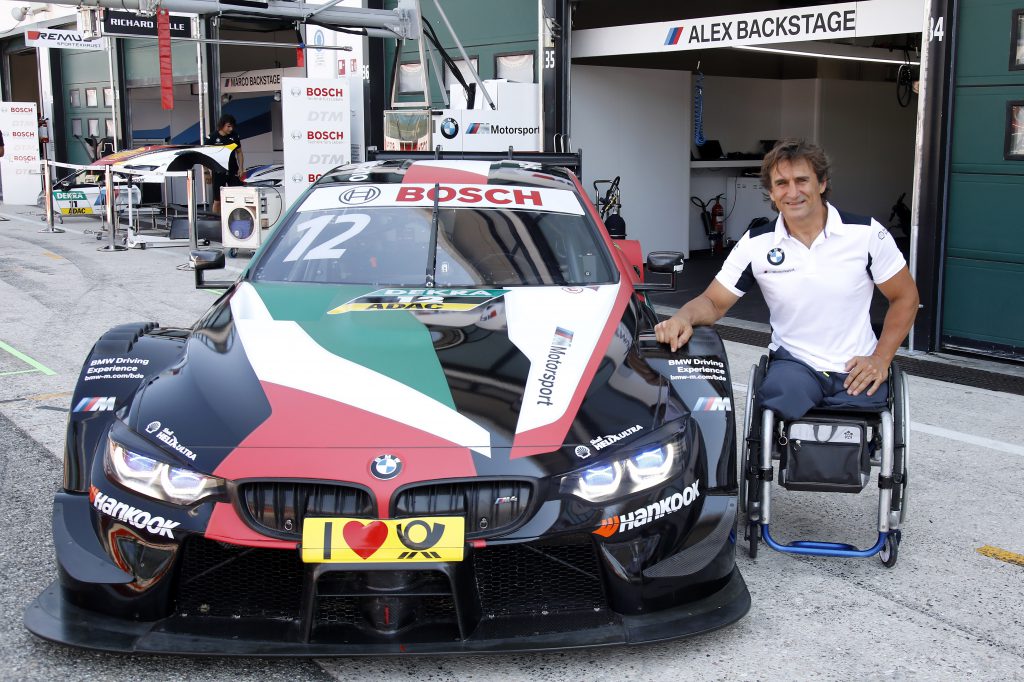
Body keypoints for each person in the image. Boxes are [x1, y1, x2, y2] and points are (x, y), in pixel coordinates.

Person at [655, 139, 919, 420]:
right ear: (770, 192)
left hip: (856, 366)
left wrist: (881, 358)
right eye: (781, 183)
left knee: (858, 433)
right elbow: (713, 302)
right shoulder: (756, 244)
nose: (793, 192)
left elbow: (905, 297)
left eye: (802, 180)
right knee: (779, 408)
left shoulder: (865, 235)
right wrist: (683, 317)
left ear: (822, 183)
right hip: (795, 366)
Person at [204, 114, 245, 214]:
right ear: (222, 125)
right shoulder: (212, 137)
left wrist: (241, 168)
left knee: (237, 197)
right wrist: (206, 172)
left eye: (232, 126)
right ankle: (216, 221)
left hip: (233, 170)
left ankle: (236, 219)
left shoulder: (235, 136)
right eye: (228, 126)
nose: (231, 129)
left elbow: (239, 152)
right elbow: (204, 155)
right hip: (218, 171)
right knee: (217, 200)